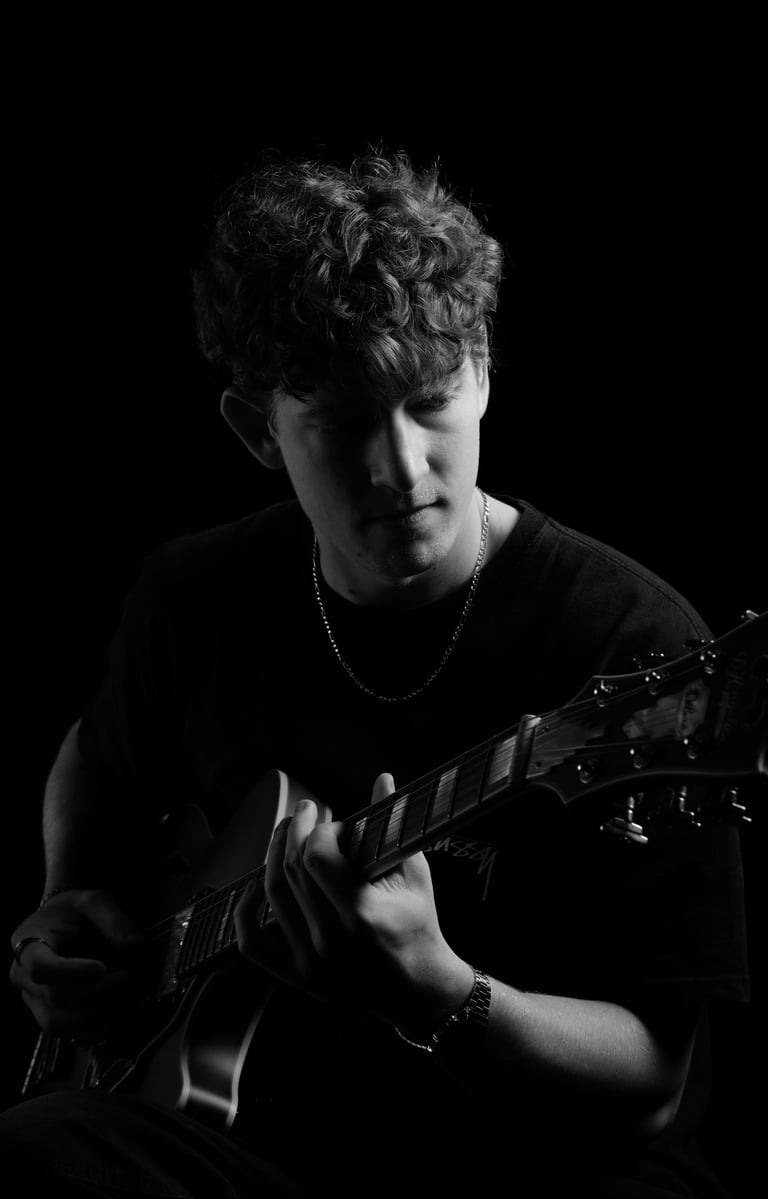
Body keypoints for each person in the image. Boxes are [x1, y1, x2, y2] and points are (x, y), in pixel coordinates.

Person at [2, 152, 750, 1197]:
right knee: (35, 1147)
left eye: (432, 401)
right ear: (257, 429)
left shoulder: (636, 647)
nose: (401, 468)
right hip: (258, 1146)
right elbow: (95, 753)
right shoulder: (195, 596)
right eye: (345, 423)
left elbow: (653, 1085)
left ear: (482, 368)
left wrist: (433, 987)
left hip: (527, 1166)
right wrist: (66, 896)